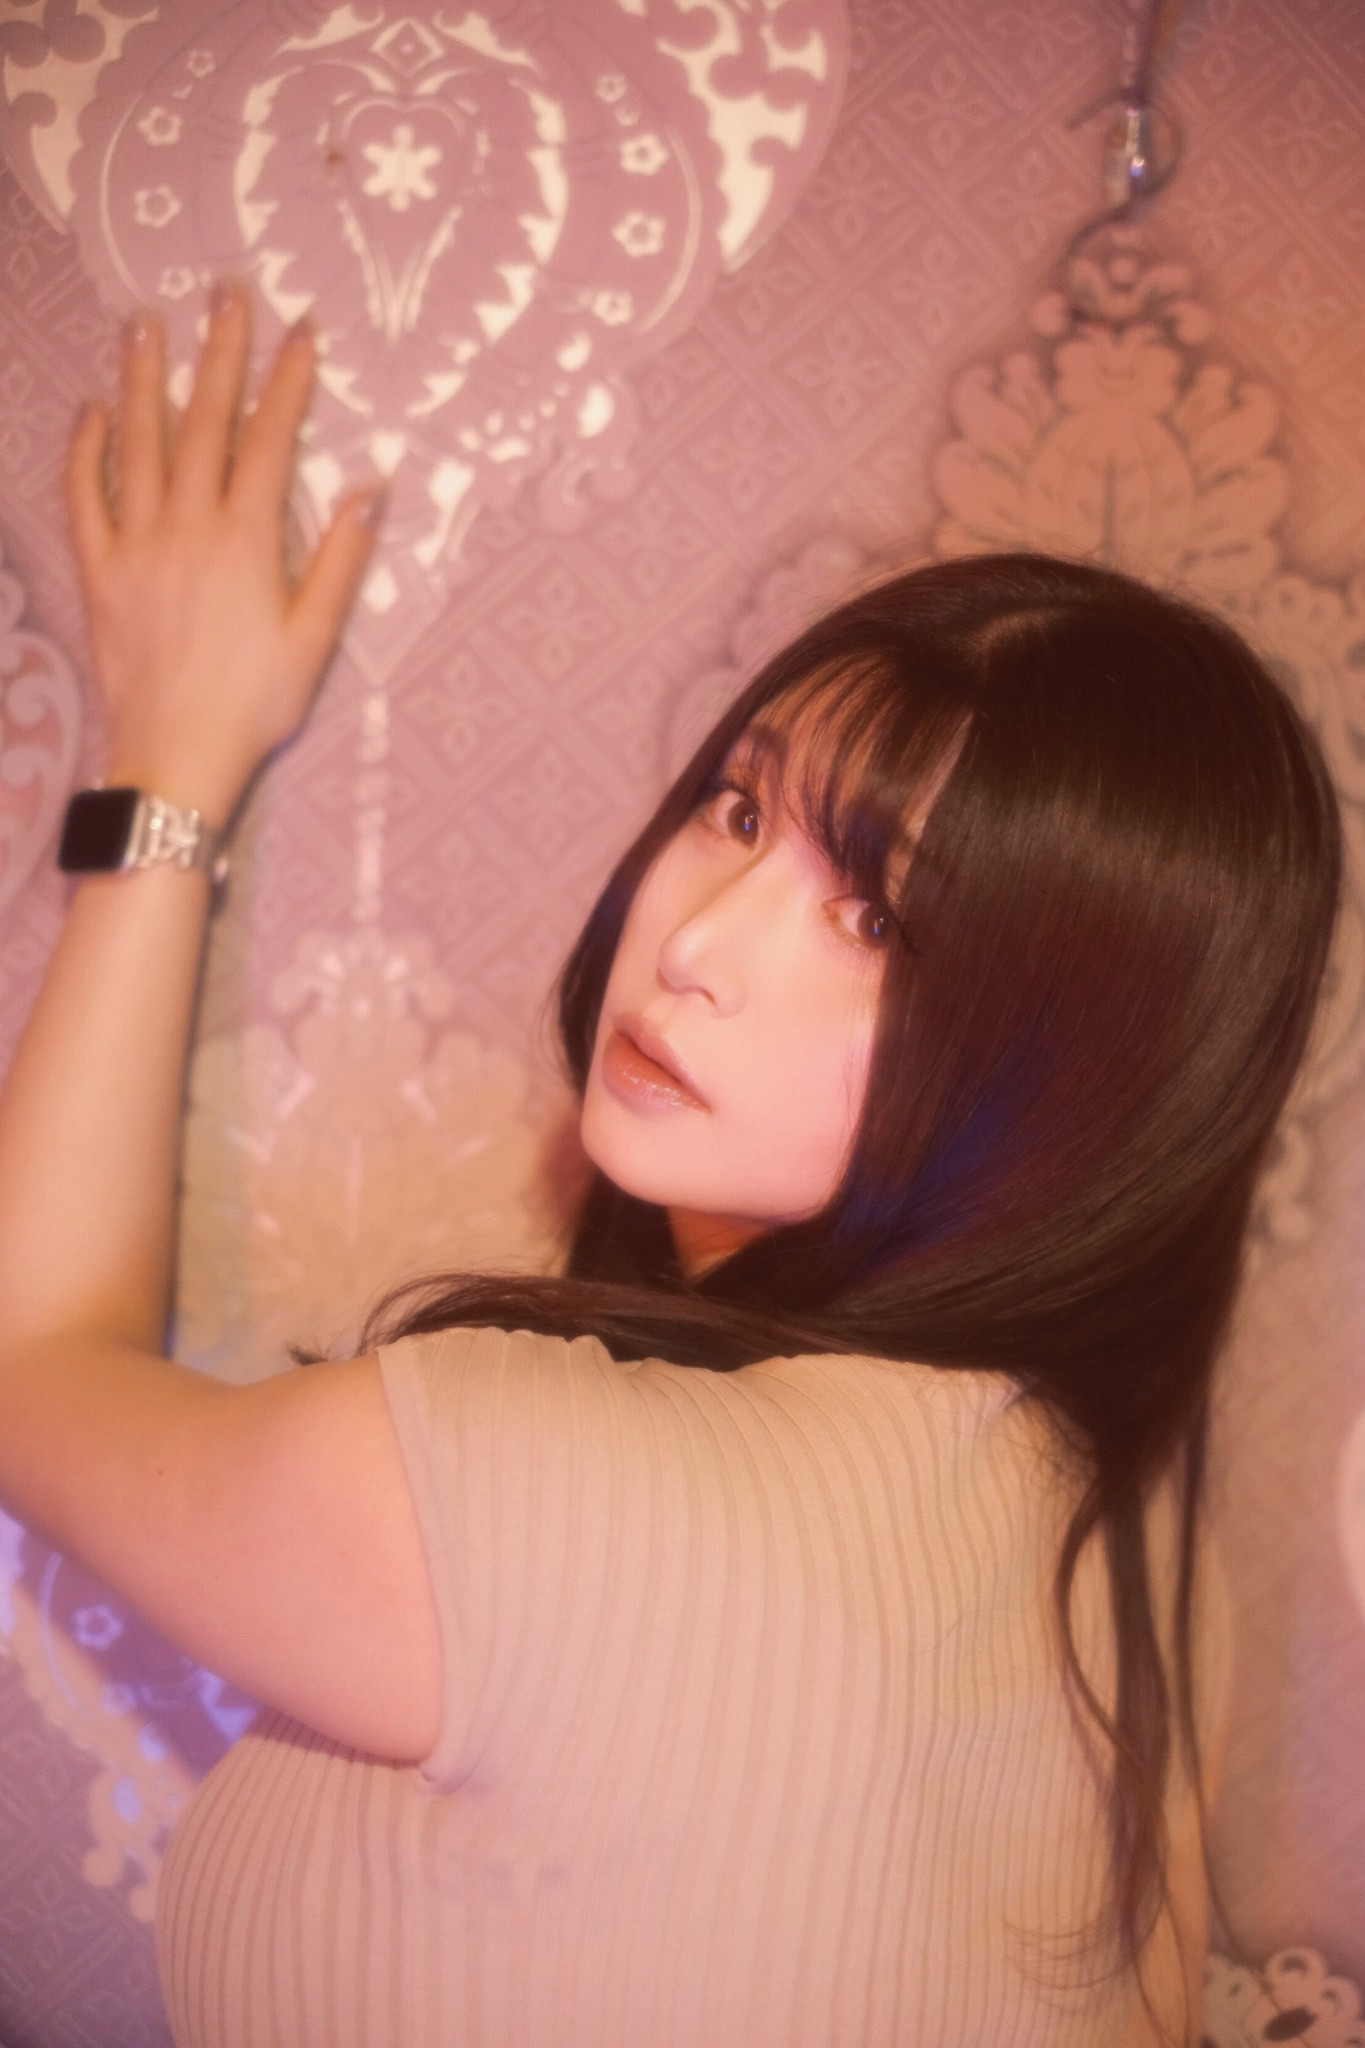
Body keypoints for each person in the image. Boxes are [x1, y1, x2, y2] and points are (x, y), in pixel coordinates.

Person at [0, 284, 1341, 2048]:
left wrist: (167, 758)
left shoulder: (515, 1478)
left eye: (876, 919)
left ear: (1081, 1077)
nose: (695, 941)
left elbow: (29, 1361)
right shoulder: (1142, 1576)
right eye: (739, 810)